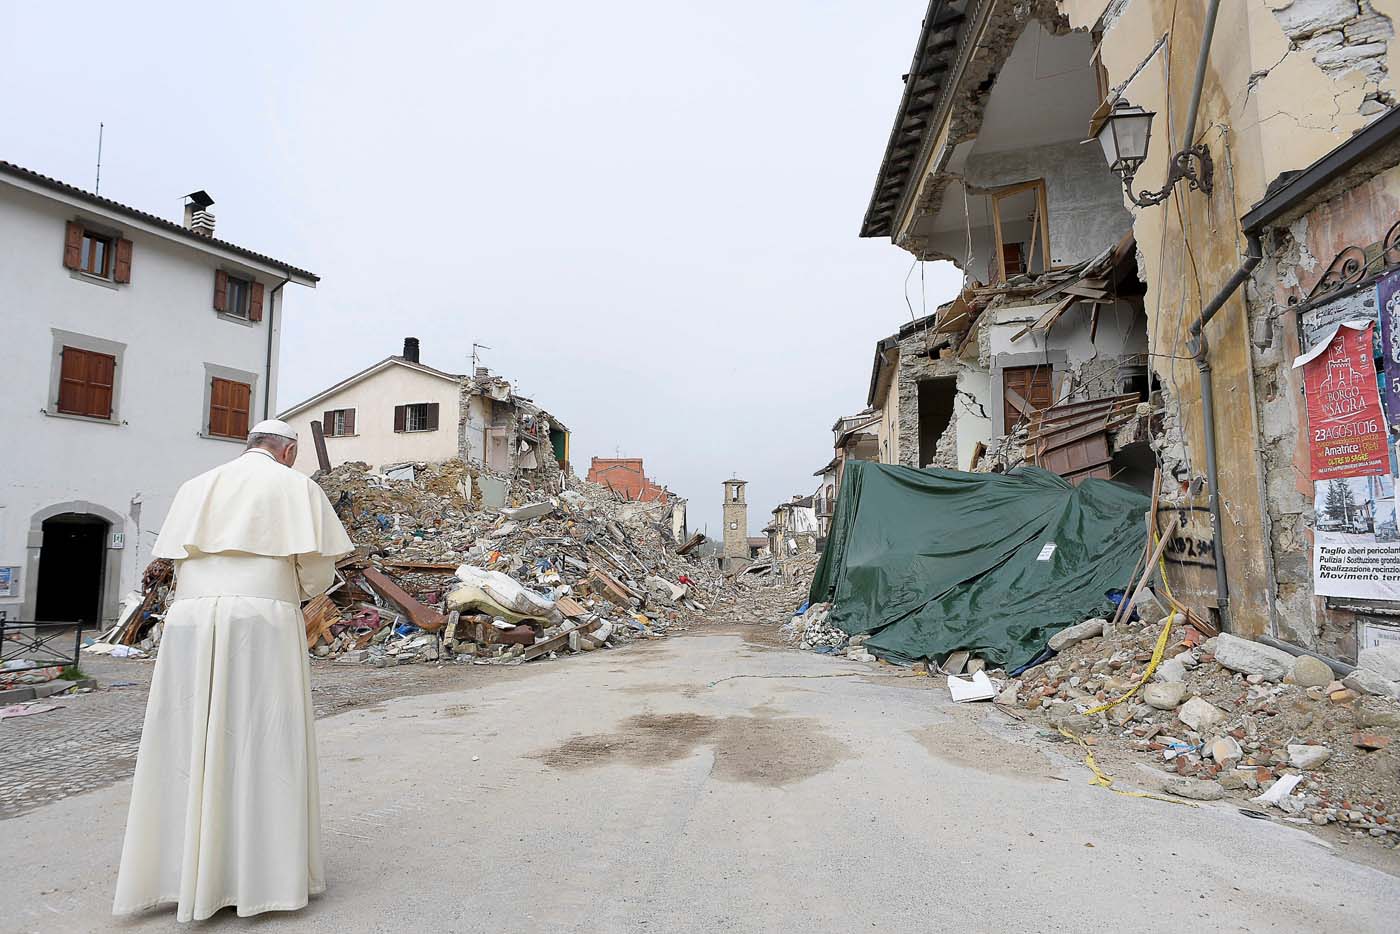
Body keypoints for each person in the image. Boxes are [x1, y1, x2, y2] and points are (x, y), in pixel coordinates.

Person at [113, 419, 354, 922]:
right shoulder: (295, 486)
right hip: (260, 618)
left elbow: (173, 557)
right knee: (262, 737)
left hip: (190, 619)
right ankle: (258, 875)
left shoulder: (196, 486)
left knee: (186, 737)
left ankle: (179, 871)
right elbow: (316, 572)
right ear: (287, 452)